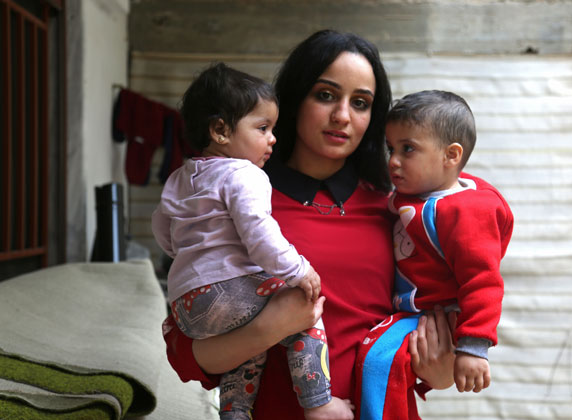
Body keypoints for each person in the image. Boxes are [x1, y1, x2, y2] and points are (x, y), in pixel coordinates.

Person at [161, 30, 458, 420]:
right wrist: (268, 329)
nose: (343, 116)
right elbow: (184, 353)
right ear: (294, 99)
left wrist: (440, 372)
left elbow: (425, 321)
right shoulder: (240, 201)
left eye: (361, 103)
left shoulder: (398, 209)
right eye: (325, 95)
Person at [152, 62, 353, 419]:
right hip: (227, 291)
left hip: (186, 303)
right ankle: (319, 402)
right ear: (220, 131)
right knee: (303, 307)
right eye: (262, 128)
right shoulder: (245, 173)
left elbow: (163, 231)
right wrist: (297, 269)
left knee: (247, 347)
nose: (272, 138)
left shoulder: (180, 177)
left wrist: (192, 264)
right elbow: (259, 232)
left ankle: (235, 412)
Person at [356, 90, 514, 419]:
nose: (393, 160)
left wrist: (473, 348)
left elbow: (483, 282)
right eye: (391, 148)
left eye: (408, 149)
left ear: (451, 155)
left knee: (377, 363)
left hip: (437, 316)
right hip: (412, 311)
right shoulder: (417, 192)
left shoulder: (466, 211)